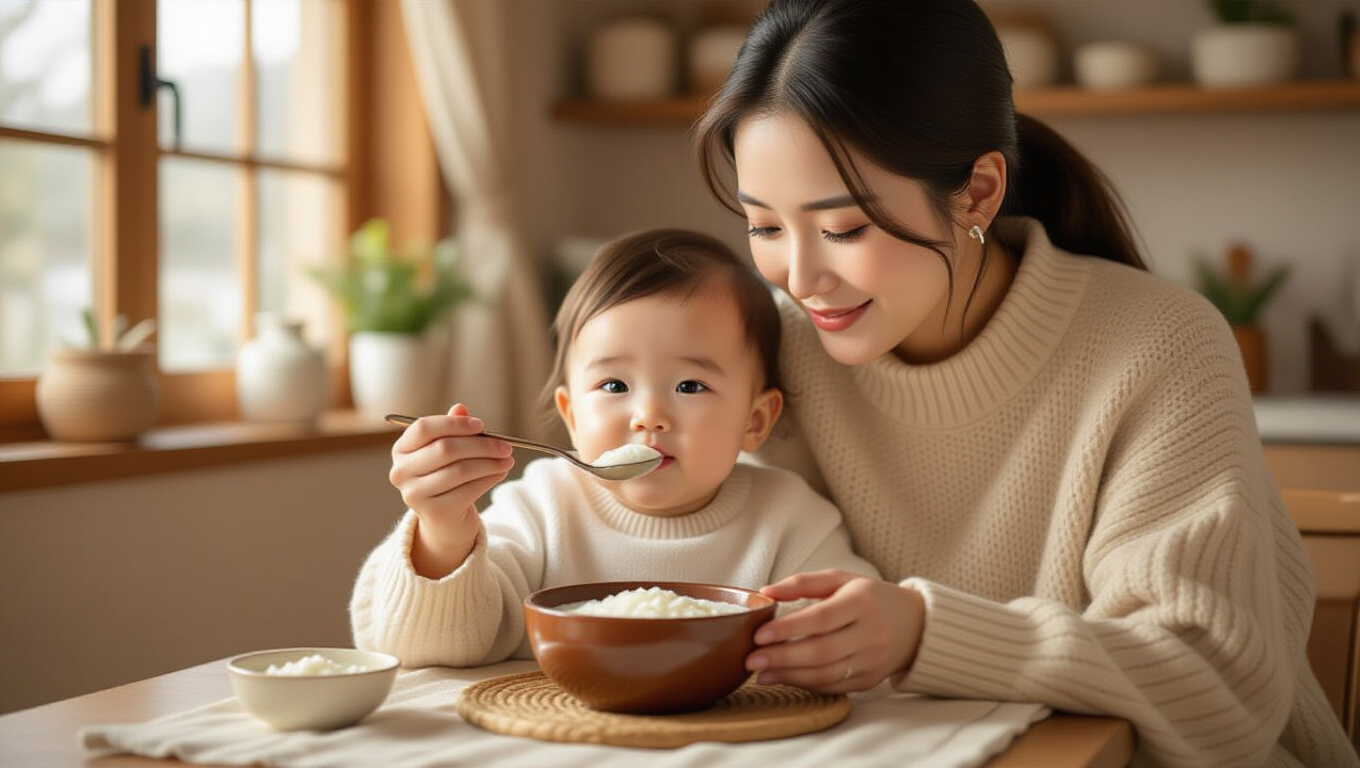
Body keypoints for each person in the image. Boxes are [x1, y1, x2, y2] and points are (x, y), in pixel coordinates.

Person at [691, 1, 1356, 766]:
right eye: (765, 228)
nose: (800, 279)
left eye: (843, 229)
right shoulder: (780, 352)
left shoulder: (1160, 343)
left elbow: (1217, 691)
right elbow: (693, 555)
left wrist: (925, 633)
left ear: (977, 192)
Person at [349, 228, 880, 668]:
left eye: (690, 387)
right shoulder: (542, 510)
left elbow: (861, 640)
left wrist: (819, 643)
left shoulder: (788, 519)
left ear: (755, 421)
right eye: (614, 386)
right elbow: (424, 650)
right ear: (572, 416)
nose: (648, 416)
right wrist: (444, 529)